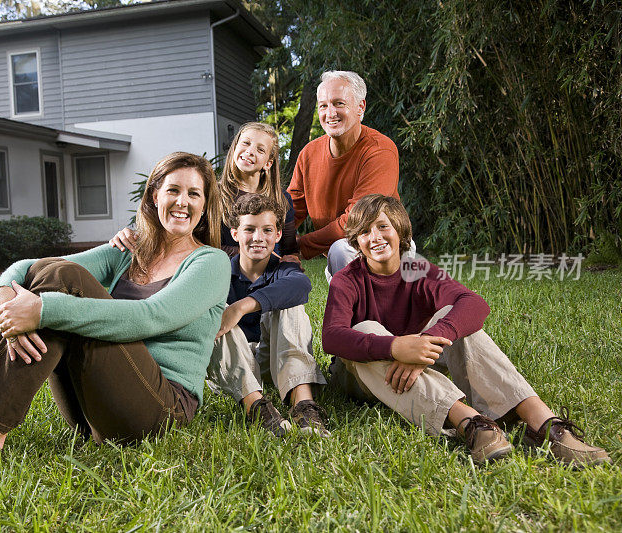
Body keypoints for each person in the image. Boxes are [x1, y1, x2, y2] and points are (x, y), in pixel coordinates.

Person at [0, 152, 231, 469]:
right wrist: (4, 295)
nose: (182, 202)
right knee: (56, 273)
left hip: (159, 409)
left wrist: (42, 310)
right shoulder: (127, 251)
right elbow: (33, 267)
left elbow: (151, 317)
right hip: (89, 408)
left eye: (194, 194)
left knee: (65, 281)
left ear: (204, 205)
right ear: (154, 196)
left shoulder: (210, 262)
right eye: (173, 189)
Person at [323, 193, 611, 466]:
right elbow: (332, 337)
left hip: (415, 364)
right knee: (366, 327)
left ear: (399, 231)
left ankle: (543, 425)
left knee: (456, 317)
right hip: (359, 378)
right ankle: (472, 423)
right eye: (364, 232)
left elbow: (473, 303)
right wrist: (395, 348)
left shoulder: (420, 270)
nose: (374, 237)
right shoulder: (347, 280)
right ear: (356, 241)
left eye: (382, 226)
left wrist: (424, 344)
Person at [206, 193, 328, 437]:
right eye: (249, 229)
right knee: (213, 315)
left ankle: (303, 405)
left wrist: (241, 307)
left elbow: (301, 286)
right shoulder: (219, 271)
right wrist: (226, 312)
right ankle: (258, 409)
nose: (258, 238)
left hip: (274, 362)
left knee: (290, 304)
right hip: (232, 365)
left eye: (267, 230)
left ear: (278, 235)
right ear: (235, 234)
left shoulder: (284, 269)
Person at [111, 122, 298, 260]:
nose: (250, 151)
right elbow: (193, 242)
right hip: (225, 271)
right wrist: (132, 233)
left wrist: (289, 262)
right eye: (245, 143)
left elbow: (290, 251)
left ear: (268, 163)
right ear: (234, 149)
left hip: (271, 273)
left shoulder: (281, 199)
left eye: (260, 149)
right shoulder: (211, 193)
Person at [287, 70, 404, 280]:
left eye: (339, 103)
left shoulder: (380, 150)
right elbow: (291, 210)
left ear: (360, 107)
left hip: (383, 247)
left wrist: (298, 246)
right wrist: (269, 237)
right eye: (323, 105)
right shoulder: (309, 154)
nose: (330, 113)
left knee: (341, 248)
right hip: (339, 255)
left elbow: (356, 220)